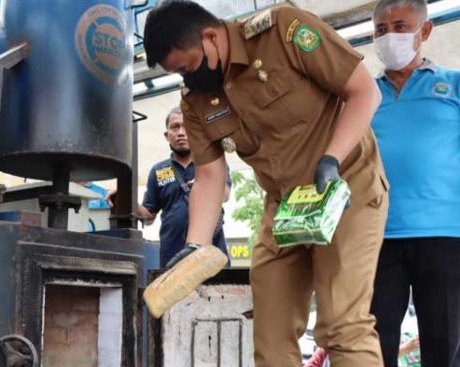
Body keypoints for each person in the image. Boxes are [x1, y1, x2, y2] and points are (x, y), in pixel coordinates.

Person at [143, 1, 388, 365]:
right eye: (177, 73)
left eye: (188, 66)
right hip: (285, 205)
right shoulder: (195, 100)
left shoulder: (282, 32)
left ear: (210, 36)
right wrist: (196, 245)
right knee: (270, 337)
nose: (187, 79)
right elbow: (210, 174)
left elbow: (364, 91)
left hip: (343, 186)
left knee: (342, 326)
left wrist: (331, 158)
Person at [369, 1, 460, 366]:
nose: (390, 35)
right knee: (375, 342)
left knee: (444, 342)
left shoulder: (453, 84)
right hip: (377, 235)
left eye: (400, 26)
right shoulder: (363, 94)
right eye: (380, 29)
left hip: (445, 233)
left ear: (424, 31)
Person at [108, 107, 231, 267]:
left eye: (186, 127)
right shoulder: (158, 171)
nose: (181, 132)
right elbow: (149, 216)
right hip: (172, 257)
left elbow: (225, 195)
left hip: (211, 254)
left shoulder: (210, 163)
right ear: (167, 135)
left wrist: (206, 189)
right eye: (175, 127)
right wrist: (127, 199)